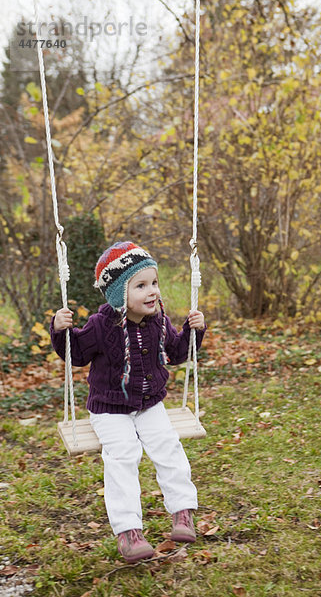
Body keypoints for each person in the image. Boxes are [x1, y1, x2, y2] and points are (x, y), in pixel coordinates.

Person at [50, 241, 206, 563]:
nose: (152, 292)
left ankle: (182, 512)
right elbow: (75, 354)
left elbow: (177, 354)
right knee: (122, 455)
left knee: (168, 446)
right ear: (120, 293)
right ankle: (128, 532)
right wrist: (60, 331)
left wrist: (194, 332)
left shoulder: (159, 321)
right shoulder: (100, 324)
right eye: (141, 286)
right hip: (109, 409)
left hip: (149, 403)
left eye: (154, 283)